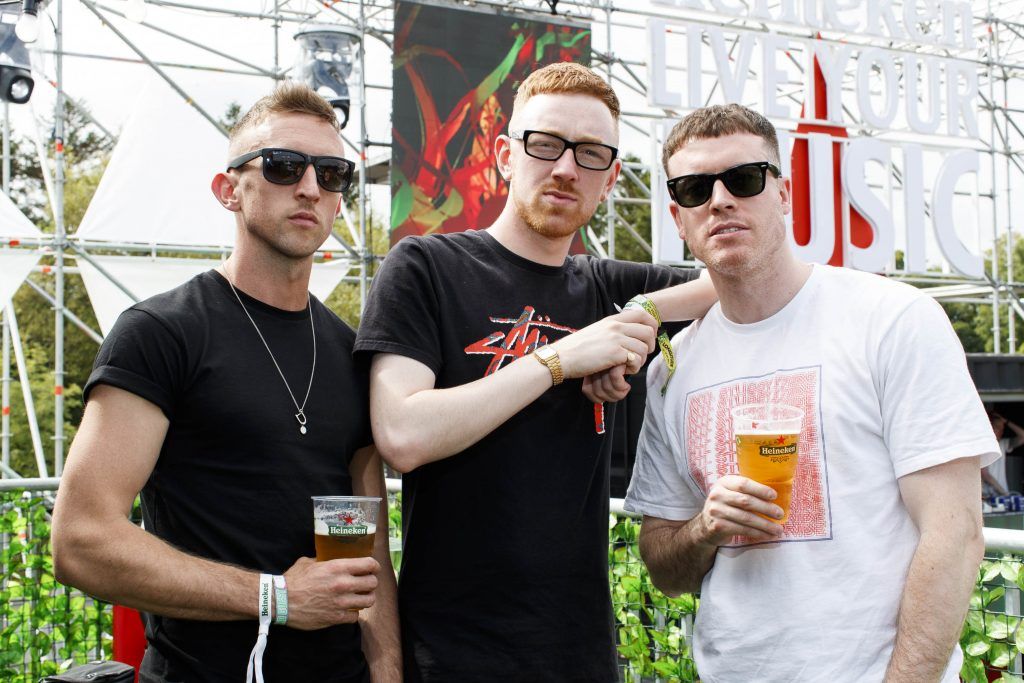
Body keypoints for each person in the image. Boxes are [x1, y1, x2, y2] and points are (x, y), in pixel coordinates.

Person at [354, 62, 718, 682]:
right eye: (545, 144)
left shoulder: (609, 287)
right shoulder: (426, 268)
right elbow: (403, 435)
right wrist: (558, 361)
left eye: (591, 154)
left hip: (579, 655)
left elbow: (741, 277)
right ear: (504, 155)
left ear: (610, 180)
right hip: (447, 654)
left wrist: (644, 317)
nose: (566, 168)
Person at [623, 103, 999, 682]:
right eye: (696, 188)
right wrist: (704, 529)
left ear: (784, 194)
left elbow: (956, 533)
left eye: (744, 179)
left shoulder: (893, 319)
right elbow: (666, 567)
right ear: (678, 216)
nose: (720, 200)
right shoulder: (671, 370)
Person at [51, 83, 400, 682]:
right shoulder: (161, 333)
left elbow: (366, 551)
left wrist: (388, 672)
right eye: (284, 166)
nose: (310, 187)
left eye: (333, 173)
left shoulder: (352, 355)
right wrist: (276, 597)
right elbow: (81, 540)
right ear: (228, 190)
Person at [982, 409, 1024, 497]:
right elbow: (984, 473)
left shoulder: (1003, 444)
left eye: (1003, 428)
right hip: (989, 495)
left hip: (1003, 493)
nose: (1002, 431)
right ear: (991, 428)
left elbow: (1022, 436)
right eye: (998, 427)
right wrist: (1004, 492)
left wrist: (1006, 421)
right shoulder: (983, 446)